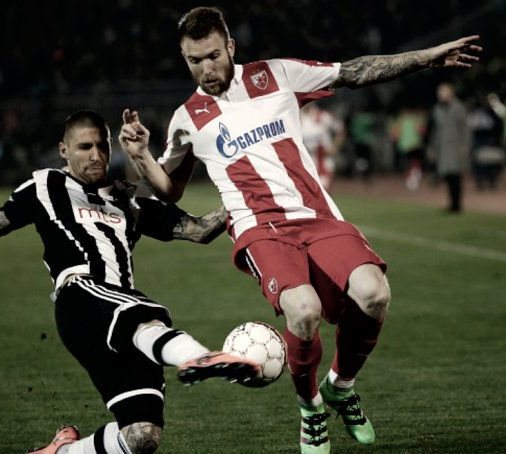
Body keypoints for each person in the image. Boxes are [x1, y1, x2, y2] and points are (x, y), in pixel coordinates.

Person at [118, 7, 481, 454]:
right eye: (194, 60)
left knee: (374, 293)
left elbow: (353, 72)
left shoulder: (276, 75)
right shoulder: (187, 118)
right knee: (304, 310)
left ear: (230, 46)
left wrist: (425, 57)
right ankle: (311, 409)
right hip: (259, 230)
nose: (206, 68)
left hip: (316, 215)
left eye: (213, 55)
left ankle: (340, 387)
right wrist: (140, 156)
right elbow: (169, 189)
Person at [0, 110, 260, 454]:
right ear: (64, 150)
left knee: (142, 436)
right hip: (81, 298)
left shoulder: (128, 197)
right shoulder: (45, 185)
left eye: (102, 145)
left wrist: (253, 196)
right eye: (85, 147)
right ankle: (199, 357)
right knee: (143, 318)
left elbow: (197, 231)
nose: (96, 155)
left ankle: (64, 451)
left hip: (120, 310)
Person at [427, 83, 472, 212]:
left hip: (456, 146)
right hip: (443, 147)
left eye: (443, 91)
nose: (440, 94)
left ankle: (456, 205)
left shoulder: (459, 108)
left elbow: (465, 129)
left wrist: (465, 145)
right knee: (448, 176)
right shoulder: (437, 109)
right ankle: (452, 203)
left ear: (451, 92)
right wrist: (433, 148)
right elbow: (435, 131)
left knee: (455, 176)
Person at [299, 101, 346, 193]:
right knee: (306, 194)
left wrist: (334, 148)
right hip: (304, 161)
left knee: (323, 193)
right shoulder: (295, 117)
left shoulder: (324, 116)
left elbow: (341, 130)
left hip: (323, 161)